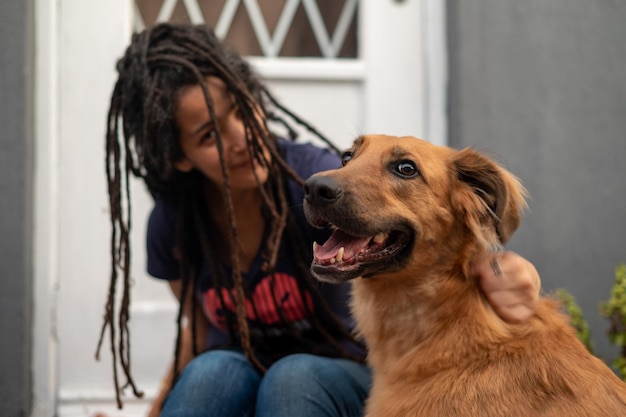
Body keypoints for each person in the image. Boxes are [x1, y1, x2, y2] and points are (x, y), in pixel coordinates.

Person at [96, 22, 541, 417]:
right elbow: (197, 330)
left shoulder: (321, 184)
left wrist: (512, 271)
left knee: (293, 377)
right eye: (210, 135)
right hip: (241, 371)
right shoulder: (175, 226)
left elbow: (436, 242)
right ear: (180, 157)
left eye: (239, 106)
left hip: (334, 381)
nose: (242, 137)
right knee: (210, 370)